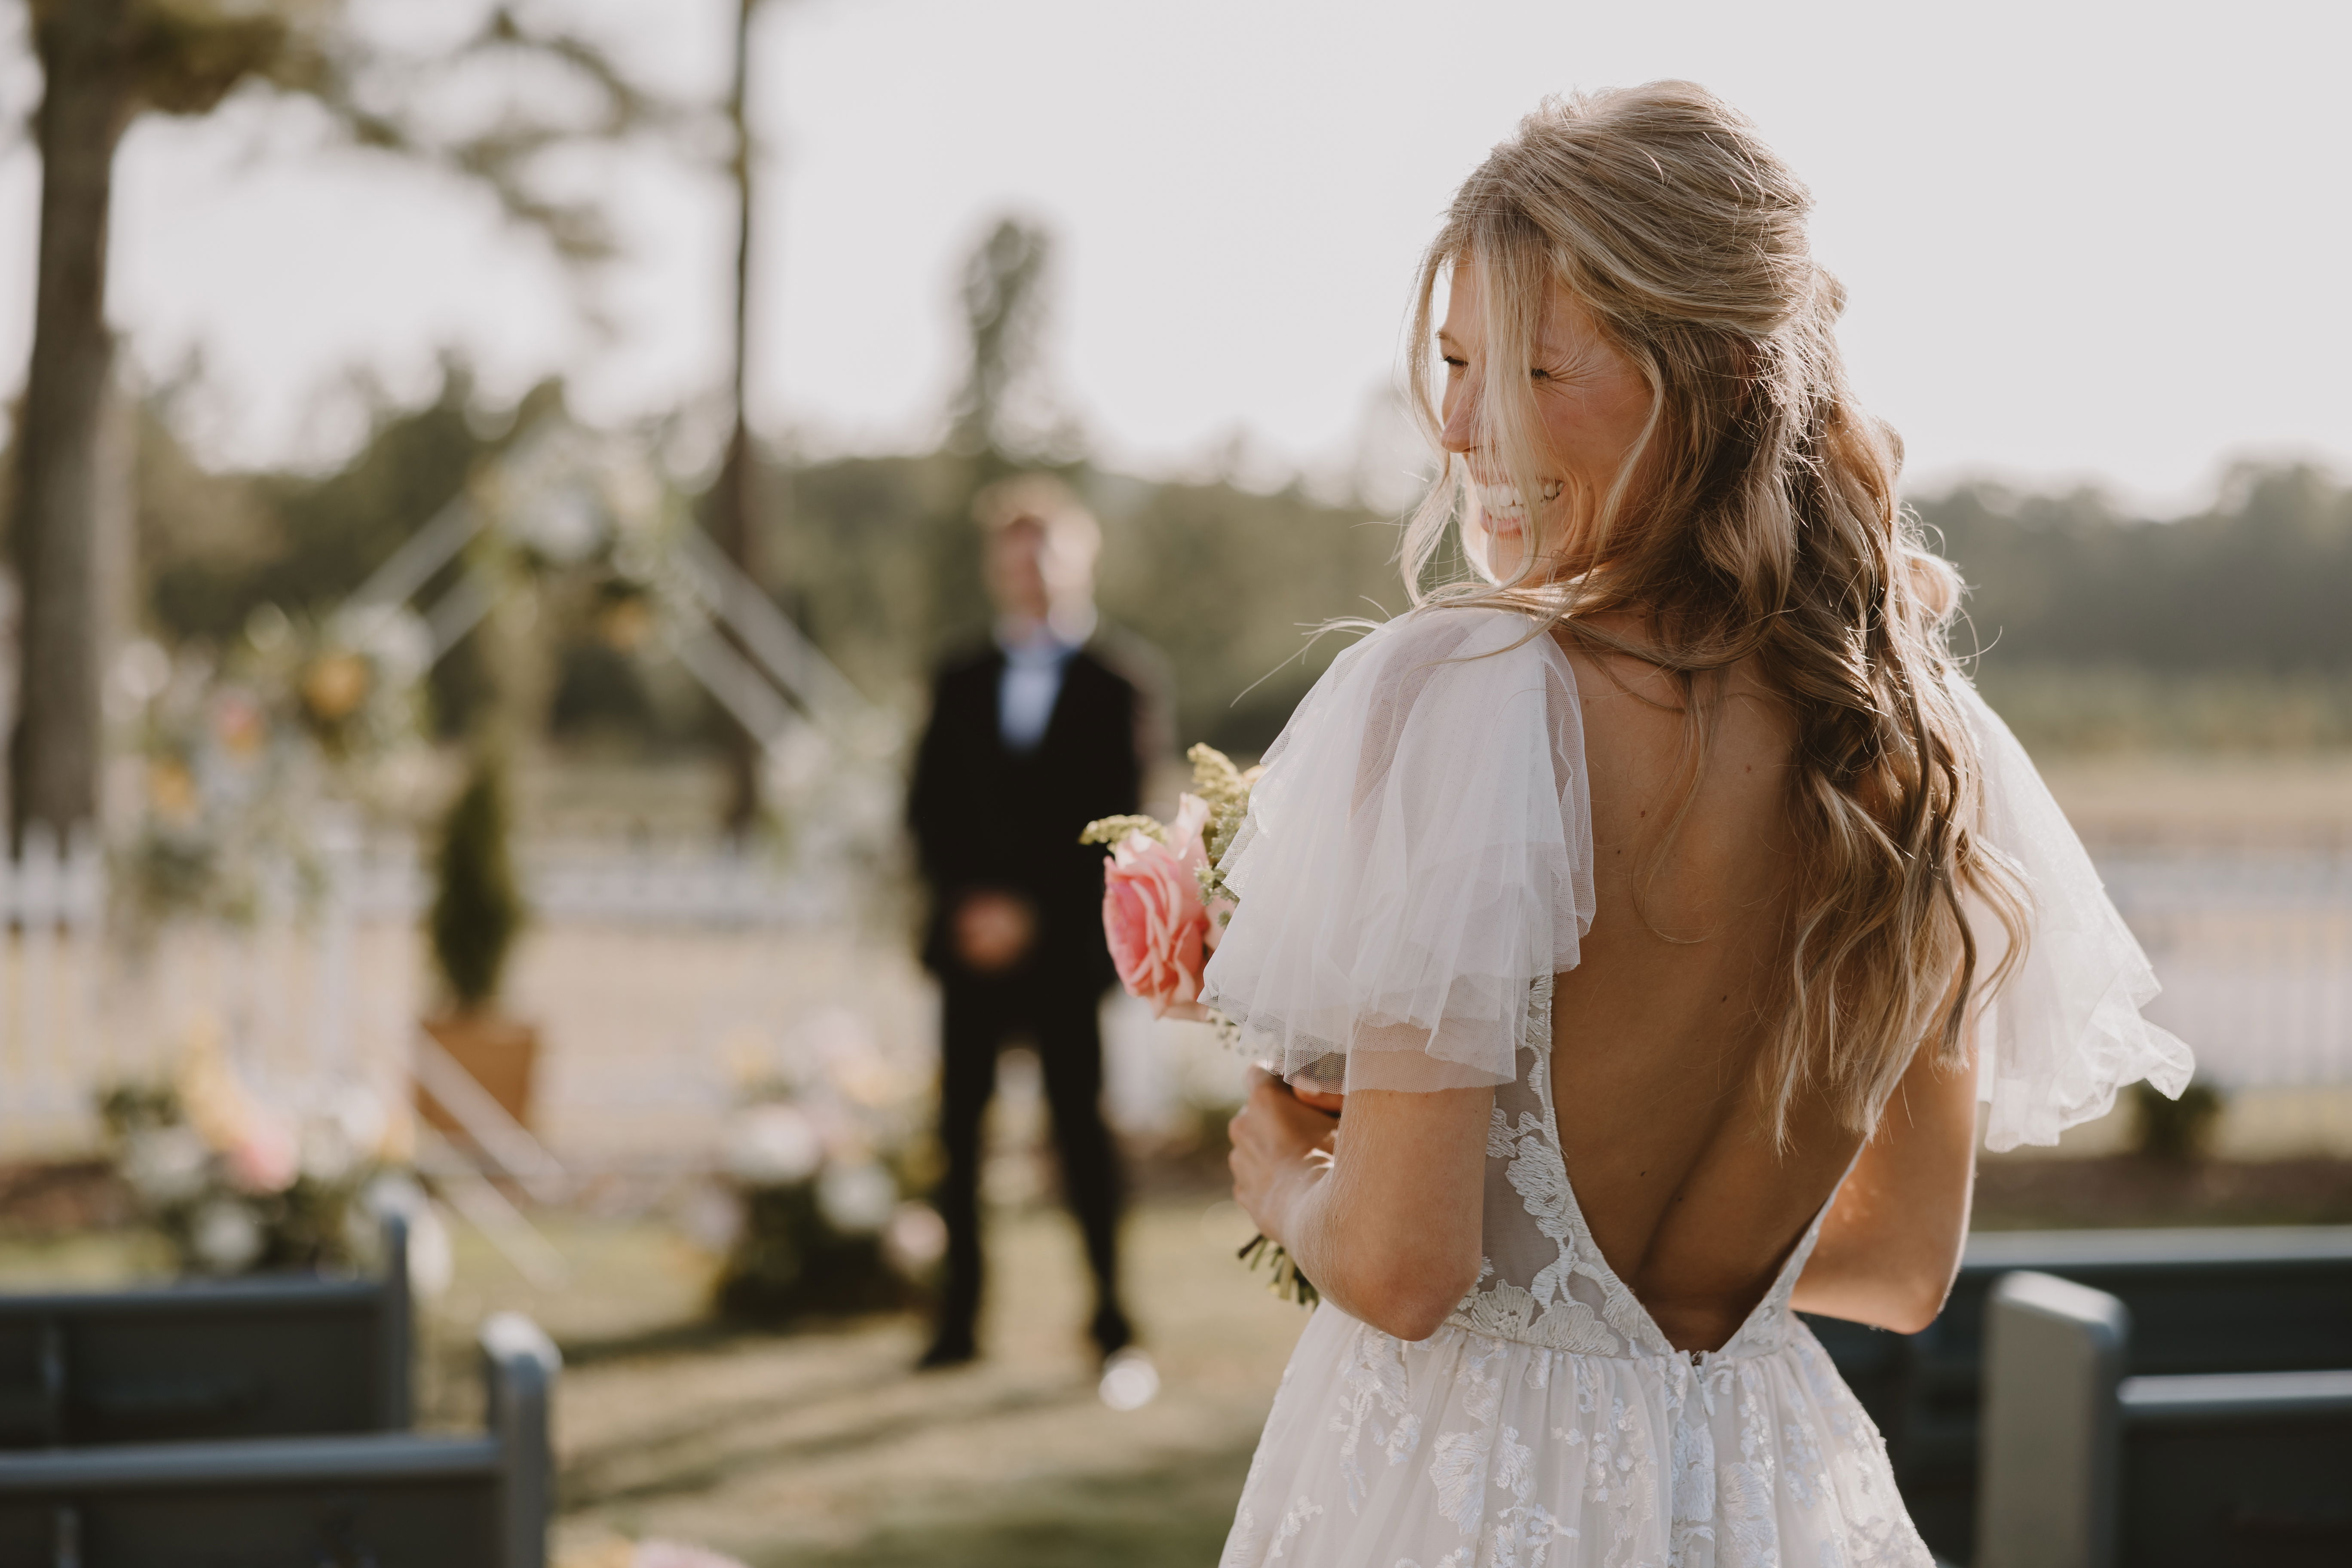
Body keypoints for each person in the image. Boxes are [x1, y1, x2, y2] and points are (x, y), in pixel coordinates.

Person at [1205, 83, 2192, 1565]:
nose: (1471, 428)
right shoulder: (1915, 742)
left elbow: (1408, 1267)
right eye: (1456, 360)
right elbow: (1904, 1262)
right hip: (1760, 1484)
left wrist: (1290, 1182)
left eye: (1540, 367)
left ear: (1724, 380)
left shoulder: (1463, 697)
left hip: (1456, 1492)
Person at [906, 474, 1167, 1373]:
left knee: (1081, 1139)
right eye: (1015, 559)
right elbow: (927, 810)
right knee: (957, 1144)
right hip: (968, 954)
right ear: (996, 568)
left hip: (1062, 956)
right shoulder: (958, 676)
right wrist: (969, 906)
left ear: (1079, 561)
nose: (1032, 576)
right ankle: (957, 1323)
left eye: (1047, 556)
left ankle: (1109, 1320)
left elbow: (1124, 820)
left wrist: (1031, 914)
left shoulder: (1120, 681)